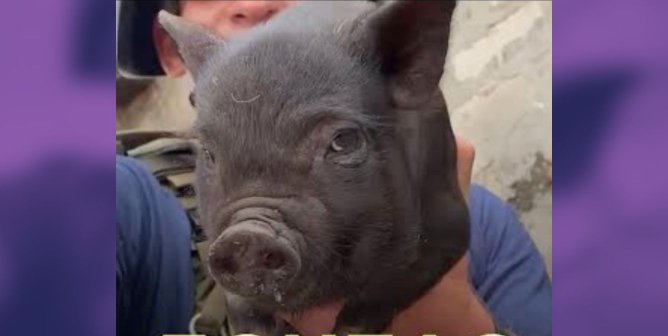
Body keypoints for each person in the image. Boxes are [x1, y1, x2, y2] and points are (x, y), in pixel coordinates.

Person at [116, 1, 552, 336]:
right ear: (173, 52)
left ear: (404, 59)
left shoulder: (485, 233)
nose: (260, 1)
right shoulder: (126, 210)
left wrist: (442, 313)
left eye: (339, 143)